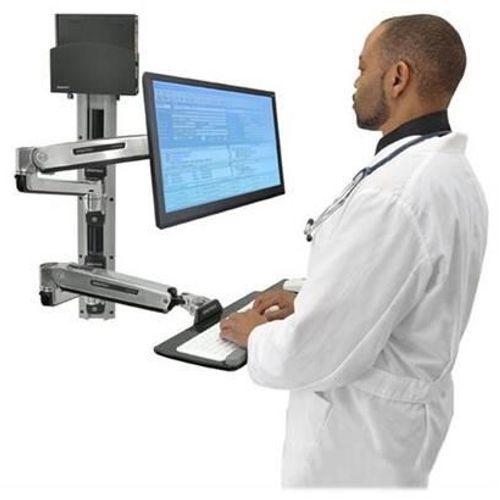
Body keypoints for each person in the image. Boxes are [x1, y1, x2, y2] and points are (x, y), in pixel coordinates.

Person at [220, 14, 488, 488]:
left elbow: (311, 353)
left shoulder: (396, 195)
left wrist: (254, 334)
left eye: (363, 67)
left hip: (354, 445)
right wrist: (311, 300)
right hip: (396, 433)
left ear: (398, 77)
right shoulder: (447, 171)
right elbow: (401, 290)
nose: (355, 82)